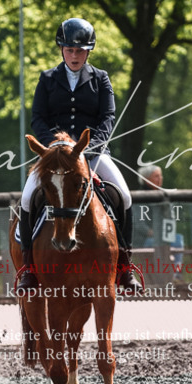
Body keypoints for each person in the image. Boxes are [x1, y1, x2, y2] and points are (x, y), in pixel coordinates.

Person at [17, 17, 143, 295]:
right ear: (62, 50)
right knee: (27, 198)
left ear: (88, 51)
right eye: (70, 50)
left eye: (80, 51)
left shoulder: (100, 79)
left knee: (123, 195)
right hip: (56, 155)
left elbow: (108, 117)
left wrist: (91, 148)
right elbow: (38, 117)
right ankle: (28, 267)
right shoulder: (47, 79)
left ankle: (125, 266)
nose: (74, 56)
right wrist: (56, 148)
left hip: (94, 153)